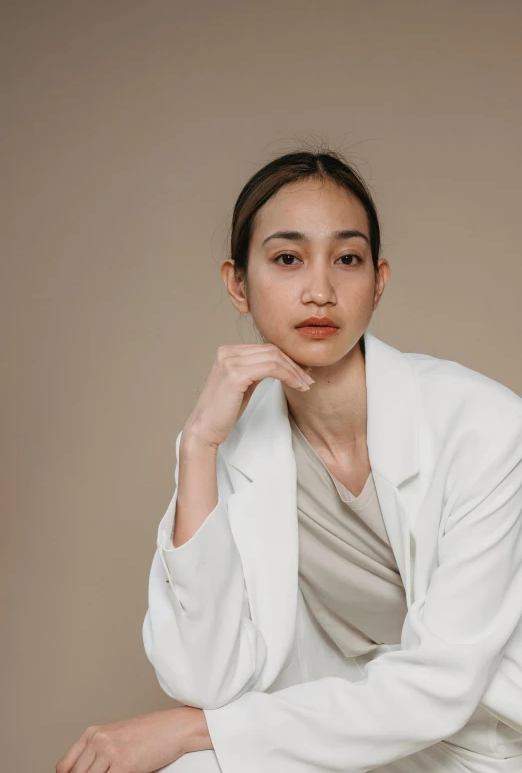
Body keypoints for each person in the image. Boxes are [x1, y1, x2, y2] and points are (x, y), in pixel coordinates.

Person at [56, 149, 522, 773]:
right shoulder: (231, 442)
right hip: (352, 735)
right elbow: (206, 677)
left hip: (496, 741)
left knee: (200, 750)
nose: (320, 290)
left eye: (347, 259)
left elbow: (440, 687)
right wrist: (197, 446)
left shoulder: (484, 427)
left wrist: (198, 732)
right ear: (237, 285)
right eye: (287, 258)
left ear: (378, 282)